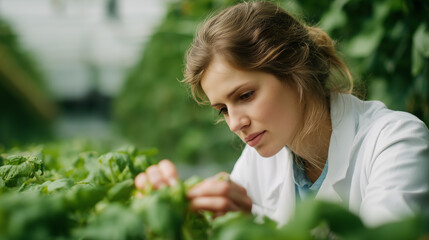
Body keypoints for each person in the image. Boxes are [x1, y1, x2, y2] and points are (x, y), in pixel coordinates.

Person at [134, 1, 429, 227]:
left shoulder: (395, 143)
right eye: (223, 109)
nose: (236, 123)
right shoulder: (257, 163)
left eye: (246, 95)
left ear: (294, 70)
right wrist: (175, 208)